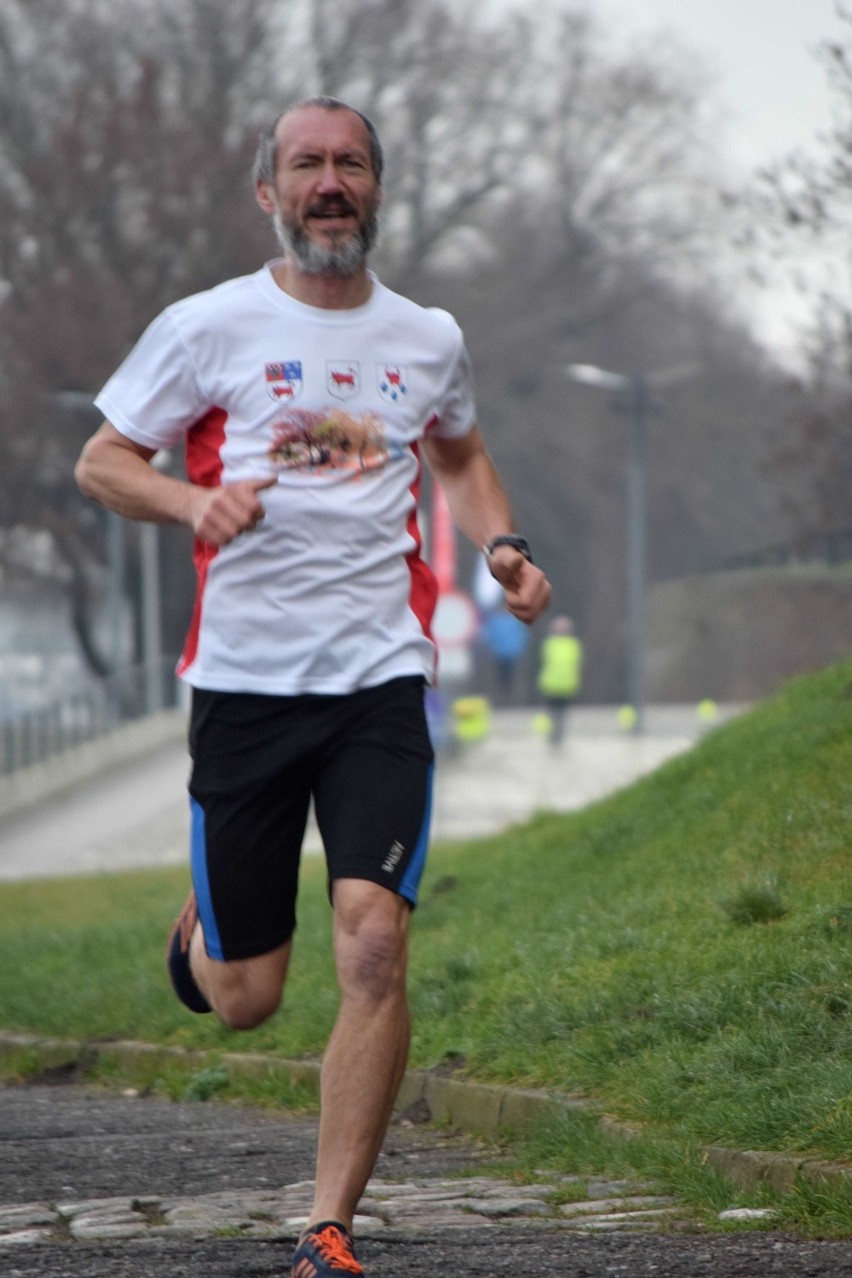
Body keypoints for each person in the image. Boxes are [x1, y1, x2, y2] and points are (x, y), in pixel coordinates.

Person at [75, 97, 551, 1278]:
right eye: (306, 165)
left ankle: (329, 1226)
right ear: (269, 193)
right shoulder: (204, 326)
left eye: (349, 164)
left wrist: (500, 549)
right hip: (242, 688)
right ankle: (204, 938)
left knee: (375, 940)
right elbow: (103, 461)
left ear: (378, 190)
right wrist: (194, 503)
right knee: (243, 997)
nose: (329, 182)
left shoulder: (427, 336)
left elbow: (459, 450)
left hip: (380, 682)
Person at [537, 615, 583, 746]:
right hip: (553, 684)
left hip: (565, 685)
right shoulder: (552, 644)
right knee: (553, 714)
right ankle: (553, 737)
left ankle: (558, 737)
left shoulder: (570, 645)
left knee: (561, 714)